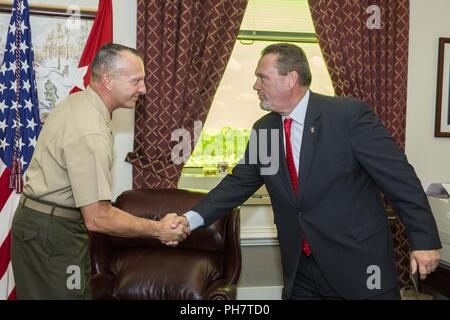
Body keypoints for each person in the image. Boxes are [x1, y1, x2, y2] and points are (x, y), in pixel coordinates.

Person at [172, 43, 441, 300]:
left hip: (358, 263)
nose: (255, 85)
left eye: (262, 78)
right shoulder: (265, 130)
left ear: (290, 79)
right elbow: (238, 184)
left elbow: (400, 179)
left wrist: (424, 240)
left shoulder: (348, 116)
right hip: (301, 267)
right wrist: (190, 219)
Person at [11, 43, 189, 300]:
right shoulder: (90, 128)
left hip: (47, 226)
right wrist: (159, 229)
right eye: (136, 80)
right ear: (108, 80)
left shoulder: (79, 103)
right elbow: (97, 217)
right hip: (53, 234)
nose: (143, 88)